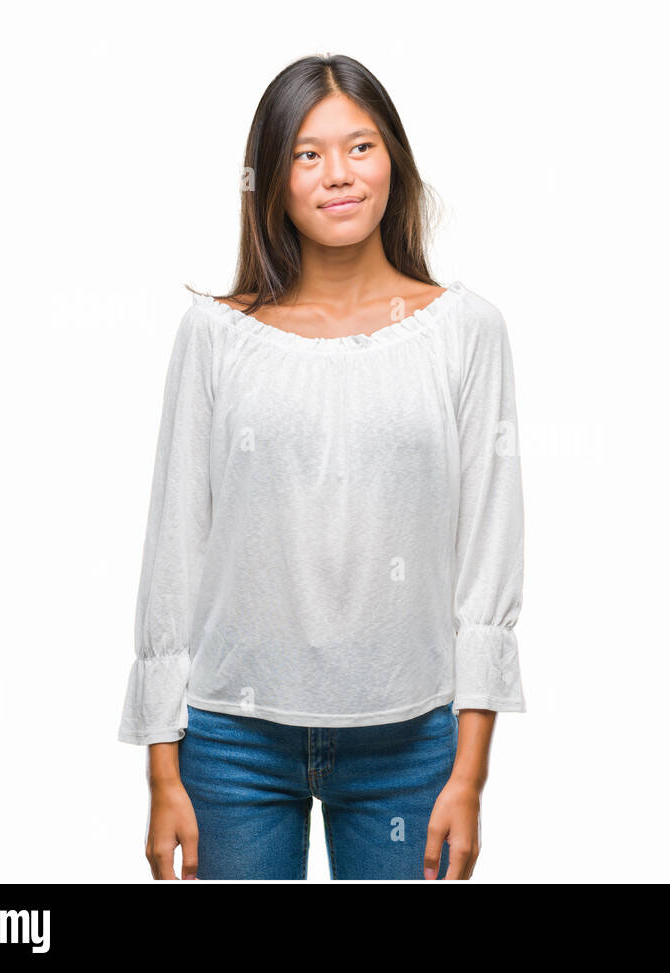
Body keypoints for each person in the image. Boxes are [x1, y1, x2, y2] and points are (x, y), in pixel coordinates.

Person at [117, 53, 526, 881]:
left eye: (361, 146)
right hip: (230, 740)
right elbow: (175, 547)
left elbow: (489, 556)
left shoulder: (467, 332)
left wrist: (470, 774)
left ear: (395, 163)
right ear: (271, 178)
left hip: (411, 740)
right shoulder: (213, 336)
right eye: (307, 154)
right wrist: (163, 767)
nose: (338, 174)